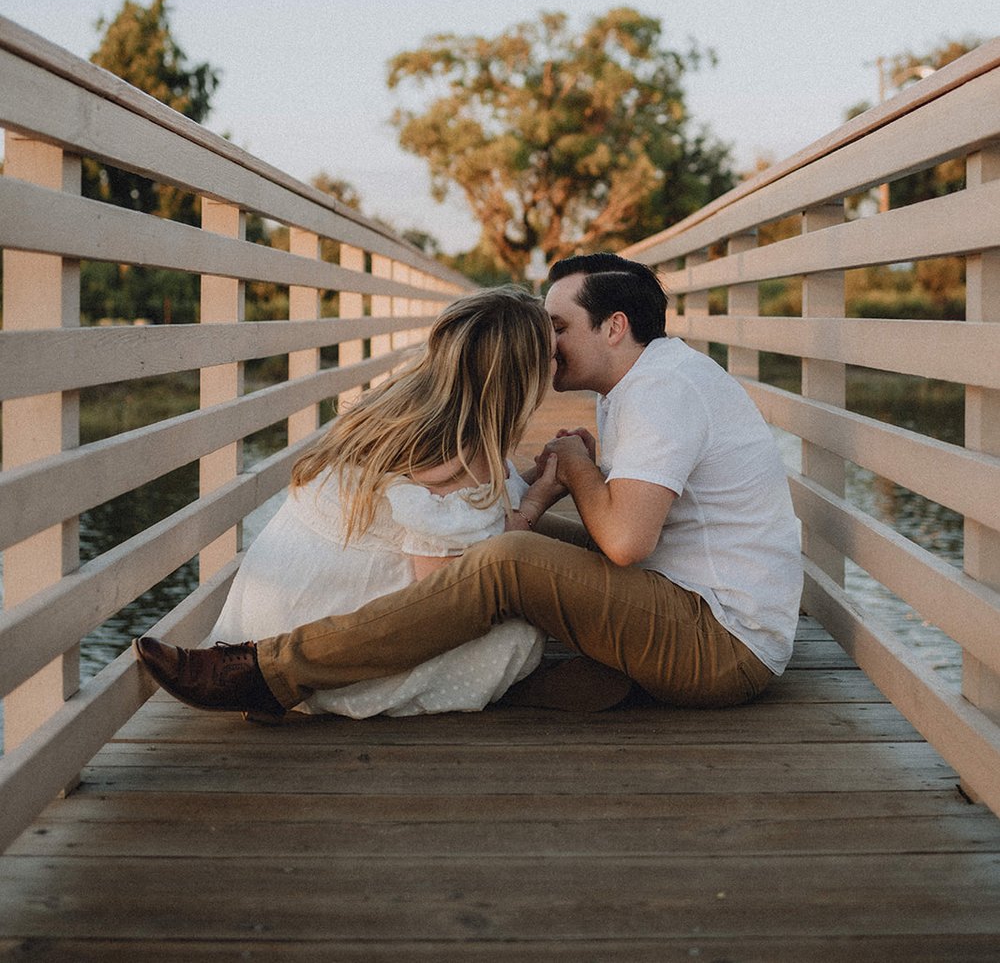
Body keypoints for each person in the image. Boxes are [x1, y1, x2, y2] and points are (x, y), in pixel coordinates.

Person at [137, 253, 803, 719]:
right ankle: (537, 676)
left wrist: (575, 472)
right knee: (520, 538)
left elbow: (625, 543)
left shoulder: (662, 391)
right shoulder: (639, 384)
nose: (549, 345)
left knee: (507, 560)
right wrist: (548, 496)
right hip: (686, 603)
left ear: (615, 327)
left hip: (722, 642)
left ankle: (270, 671)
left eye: (561, 328)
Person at [153, 285, 564, 718]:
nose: (559, 359)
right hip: (321, 644)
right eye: (552, 354)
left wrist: (539, 478)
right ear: (523, 376)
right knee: (518, 631)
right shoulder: (462, 454)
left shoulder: (402, 405)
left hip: (265, 618)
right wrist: (538, 500)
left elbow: (475, 512)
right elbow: (452, 594)